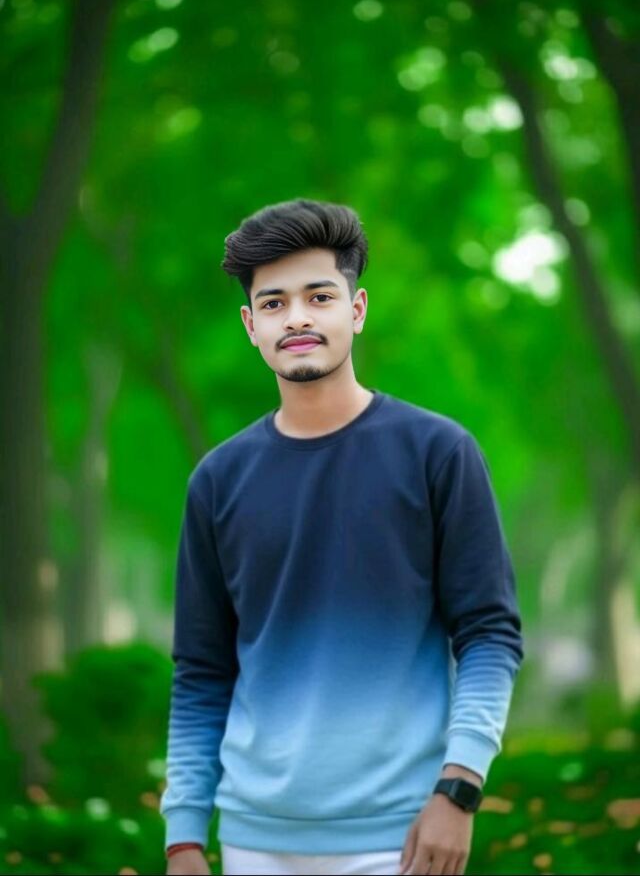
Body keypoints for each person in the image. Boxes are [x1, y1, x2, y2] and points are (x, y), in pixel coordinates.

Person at [160, 199, 525, 876]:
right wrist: (183, 837)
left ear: (356, 310)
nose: (296, 317)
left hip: (403, 838)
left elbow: (489, 634)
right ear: (251, 325)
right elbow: (203, 670)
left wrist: (460, 788)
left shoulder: (438, 453)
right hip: (252, 841)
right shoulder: (217, 480)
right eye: (274, 303)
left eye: (319, 296)